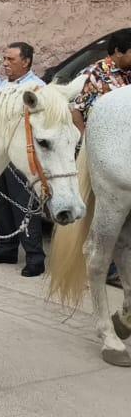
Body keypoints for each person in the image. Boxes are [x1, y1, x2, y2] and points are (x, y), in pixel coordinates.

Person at [0, 41, 48, 276]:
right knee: (1, 201)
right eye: (5, 59)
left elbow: (28, 118)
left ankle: (35, 257)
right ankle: (6, 248)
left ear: (26, 62)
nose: (5, 64)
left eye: (11, 60)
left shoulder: (36, 87)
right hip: (0, 151)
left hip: (20, 154)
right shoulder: (3, 83)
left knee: (23, 204)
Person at [70, 27, 131, 287]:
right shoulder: (94, 73)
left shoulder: (127, 75)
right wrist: (87, 140)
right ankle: (101, 266)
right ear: (118, 51)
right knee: (101, 212)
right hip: (99, 149)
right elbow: (77, 110)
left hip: (123, 148)